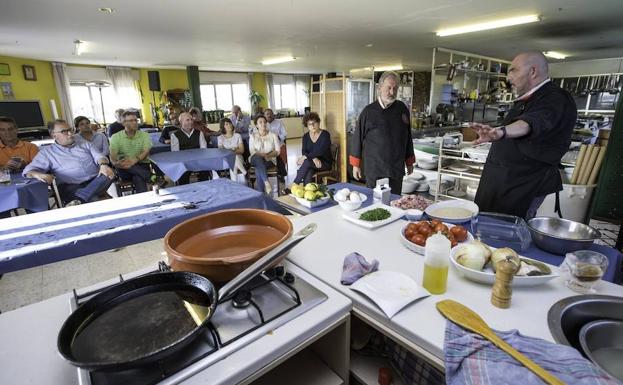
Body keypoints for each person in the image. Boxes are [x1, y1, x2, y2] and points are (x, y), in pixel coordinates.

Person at [471, 51, 577, 219]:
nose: (509, 77)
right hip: (504, 181)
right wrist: (496, 134)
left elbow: (530, 123)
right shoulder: (527, 99)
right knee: (487, 225)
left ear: (533, 71)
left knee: (510, 232)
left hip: (524, 184)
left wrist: (501, 132)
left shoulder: (556, 98)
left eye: (514, 70)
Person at [350, 71, 415, 194]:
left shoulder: (402, 109)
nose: (392, 92)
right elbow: (357, 138)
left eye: (395, 88)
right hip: (375, 169)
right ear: (379, 88)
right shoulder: (368, 112)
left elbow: (407, 137)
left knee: (395, 202)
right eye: (389, 88)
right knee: (374, 204)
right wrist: (356, 165)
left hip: (396, 168)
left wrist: (409, 161)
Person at [23, 120, 114, 206]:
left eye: (70, 130)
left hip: (96, 180)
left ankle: (80, 198)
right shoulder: (47, 153)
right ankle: (85, 197)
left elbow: (100, 156)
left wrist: (103, 165)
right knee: (94, 200)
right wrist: (37, 175)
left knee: (109, 173)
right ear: (54, 135)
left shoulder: (85, 144)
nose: (70, 134)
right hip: (71, 186)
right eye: (64, 131)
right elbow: (28, 170)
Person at [109, 110, 160, 193]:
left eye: (136, 120)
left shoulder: (144, 135)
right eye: (131, 121)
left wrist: (134, 160)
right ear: (123, 123)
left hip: (142, 164)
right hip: (124, 168)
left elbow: (146, 151)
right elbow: (113, 155)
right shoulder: (116, 137)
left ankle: (143, 201)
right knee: (133, 170)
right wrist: (116, 163)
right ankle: (151, 177)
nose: (135, 123)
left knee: (138, 177)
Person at [171, 112, 210, 184]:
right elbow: (175, 153)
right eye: (187, 120)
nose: (191, 122)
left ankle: (204, 188)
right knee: (182, 175)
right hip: (184, 163)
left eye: (191, 119)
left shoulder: (199, 133)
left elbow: (204, 149)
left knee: (205, 171)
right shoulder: (175, 135)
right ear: (181, 122)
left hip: (198, 161)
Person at [294, 112, 332, 184]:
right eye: (310, 124)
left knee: (307, 162)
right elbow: (304, 151)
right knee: (308, 170)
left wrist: (306, 156)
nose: (313, 126)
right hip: (312, 163)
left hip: (324, 163)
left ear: (319, 122)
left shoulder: (325, 135)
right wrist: (313, 158)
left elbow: (321, 151)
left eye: (315, 123)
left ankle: (294, 184)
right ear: (307, 126)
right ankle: (307, 191)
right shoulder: (305, 136)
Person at [249, 115, 280, 194]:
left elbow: (278, 151)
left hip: (269, 160)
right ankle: (266, 182)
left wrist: (268, 156)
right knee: (258, 159)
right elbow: (252, 151)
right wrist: (263, 155)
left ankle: (261, 193)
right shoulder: (253, 136)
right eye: (260, 122)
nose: (263, 124)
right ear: (256, 125)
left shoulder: (273, 135)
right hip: (255, 158)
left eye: (264, 122)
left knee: (258, 168)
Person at [264, 108, 288, 181]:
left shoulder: (279, 122)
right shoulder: (263, 123)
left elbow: (284, 133)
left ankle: (281, 174)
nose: (269, 115)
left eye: (271, 113)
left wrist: (278, 137)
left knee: (281, 152)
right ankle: (270, 172)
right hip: (267, 145)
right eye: (267, 114)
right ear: (264, 116)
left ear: (273, 115)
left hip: (279, 143)